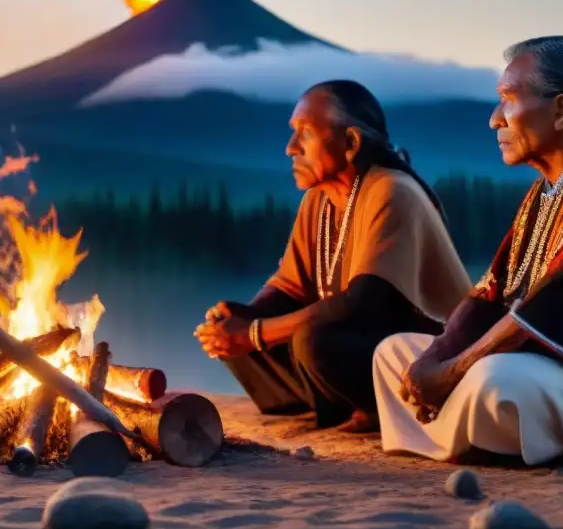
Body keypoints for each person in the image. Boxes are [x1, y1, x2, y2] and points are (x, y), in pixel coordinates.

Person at [373, 36, 563, 469]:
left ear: (561, 110)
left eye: (507, 100)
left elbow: (550, 311)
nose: (495, 120)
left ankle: (469, 427)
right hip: (549, 371)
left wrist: (451, 372)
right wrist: (434, 362)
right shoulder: (545, 191)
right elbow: (491, 293)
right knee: (394, 353)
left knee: (497, 381)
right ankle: (468, 428)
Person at [195, 80, 472, 432]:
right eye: (292, 134)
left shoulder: (392, 190)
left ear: (351, 143)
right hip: (356, 340)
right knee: (234, 334)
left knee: (313, 340)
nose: (290, 148)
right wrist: (246, 316)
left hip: (419, 353)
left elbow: (362, 305)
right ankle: (331, 403)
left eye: (305, 134)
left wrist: (255, 333)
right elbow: (290, 288)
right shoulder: (319, 198)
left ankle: (376, 409)